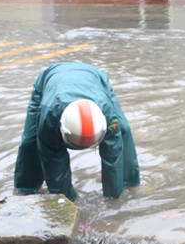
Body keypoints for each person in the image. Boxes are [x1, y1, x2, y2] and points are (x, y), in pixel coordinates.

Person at [14, 62, 140, 202]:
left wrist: (113, 199)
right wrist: (67, 202)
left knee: (123, 130)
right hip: (49, 80)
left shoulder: (107, 115)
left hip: (95, 79)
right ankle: (25, 189)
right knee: (30, 141)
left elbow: (113, 156)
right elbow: (54, 164)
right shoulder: (48, 116)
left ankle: (130, 183)